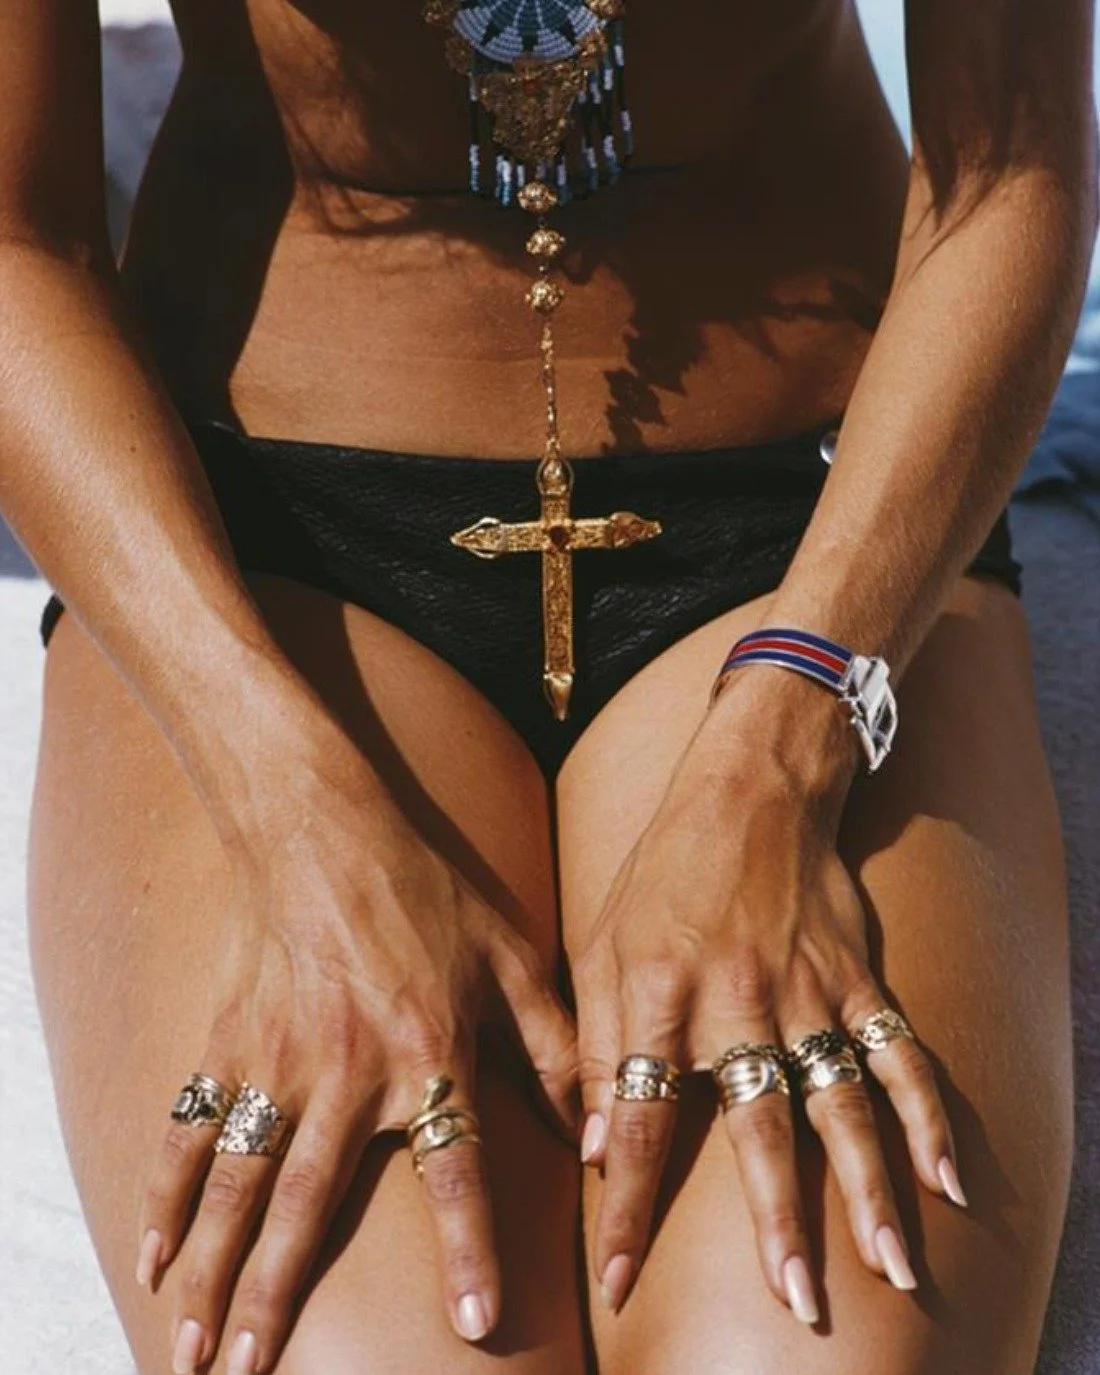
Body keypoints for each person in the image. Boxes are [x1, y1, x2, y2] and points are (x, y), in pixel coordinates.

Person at [1, 1, 1093, 1372]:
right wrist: (295, 814)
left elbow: (1010, 167)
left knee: (826, 1349)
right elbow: (10, 239)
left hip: (819, 533)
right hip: (267, 559)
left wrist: (779, 753)